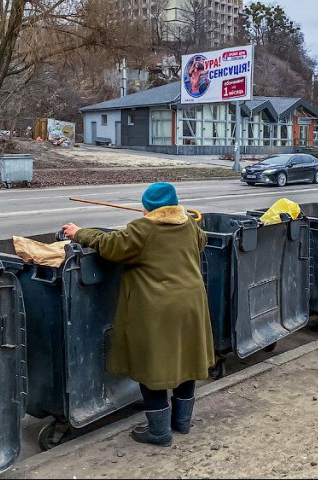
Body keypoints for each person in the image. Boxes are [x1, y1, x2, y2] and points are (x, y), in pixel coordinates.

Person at [61, 182, 214, 446]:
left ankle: (158, 431)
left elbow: (109, 245)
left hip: (158, 308)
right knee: (186, 360)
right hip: (191, 304)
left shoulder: (143, 229)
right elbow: (202, 240)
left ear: (148, 208)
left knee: (152, 364)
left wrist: (79, 233)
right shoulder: (189, 226)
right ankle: (182, 422)